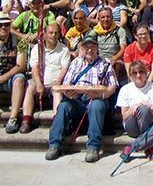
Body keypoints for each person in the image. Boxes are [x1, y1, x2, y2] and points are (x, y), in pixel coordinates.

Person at [46, 33, 118, 162]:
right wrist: (68, 93)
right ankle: (54, 145)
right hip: (77, 99)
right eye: (86, 47)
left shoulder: (105, 63)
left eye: (92, 46)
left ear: (97, 48)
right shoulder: (76, 63)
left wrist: (101, 94)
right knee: (63, 106)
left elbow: (112, 87)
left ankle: (93, 147)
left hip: (97, 98)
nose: (89, 50)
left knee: (97, 105)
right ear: (82, 48)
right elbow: (67, 83)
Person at [20, 23, 70, 133]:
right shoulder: (37, 49)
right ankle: (26, 119)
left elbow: (64, 68)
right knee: (30, 88)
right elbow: (35, 67)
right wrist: (38, 83)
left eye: (56, 33)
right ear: (45, 34)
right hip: (40, 81)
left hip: (56, 81)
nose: (53, 35)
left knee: (57, 92)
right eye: (50, 33)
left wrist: (58, 81)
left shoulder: (64, 49)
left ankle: (57, 121)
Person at [117, 61, 153, 162]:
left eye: (141, 72)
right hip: (132, 124)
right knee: (143, 108)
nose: (138, 75)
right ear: (130, 76)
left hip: (149, 122)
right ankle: (150, 147)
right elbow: (124, 116)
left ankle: (130, 148)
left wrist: (142, 106)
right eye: (134, 73)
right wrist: (136, 107)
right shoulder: (125, 89)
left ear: (146, 73)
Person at [88, 7, 127, 80]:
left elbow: (123, 48)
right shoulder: (96, 31)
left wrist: (114, 58)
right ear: (99, 19)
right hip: (100, 59)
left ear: (112, 18)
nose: (105, 19)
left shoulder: (120, 31)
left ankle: (114, 84)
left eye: (108, 16)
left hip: (116, 59)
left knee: (117, 65)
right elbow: (87, 41)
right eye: (103, 17)